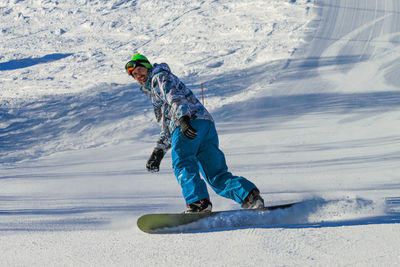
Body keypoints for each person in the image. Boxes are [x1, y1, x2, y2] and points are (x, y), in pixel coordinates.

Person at [125, 53, 264, 213]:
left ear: (148, 66)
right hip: (205, 125)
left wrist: (184, 119)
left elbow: (175, 98)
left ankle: (198, 203)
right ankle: (249, 196)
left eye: (140, 70)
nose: (139, 75)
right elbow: (167, 124)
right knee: (216, 174)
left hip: (187, 122)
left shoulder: (159, 77)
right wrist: (159, 151)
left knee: (183, 162)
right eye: (134, 74)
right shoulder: (156, 87)